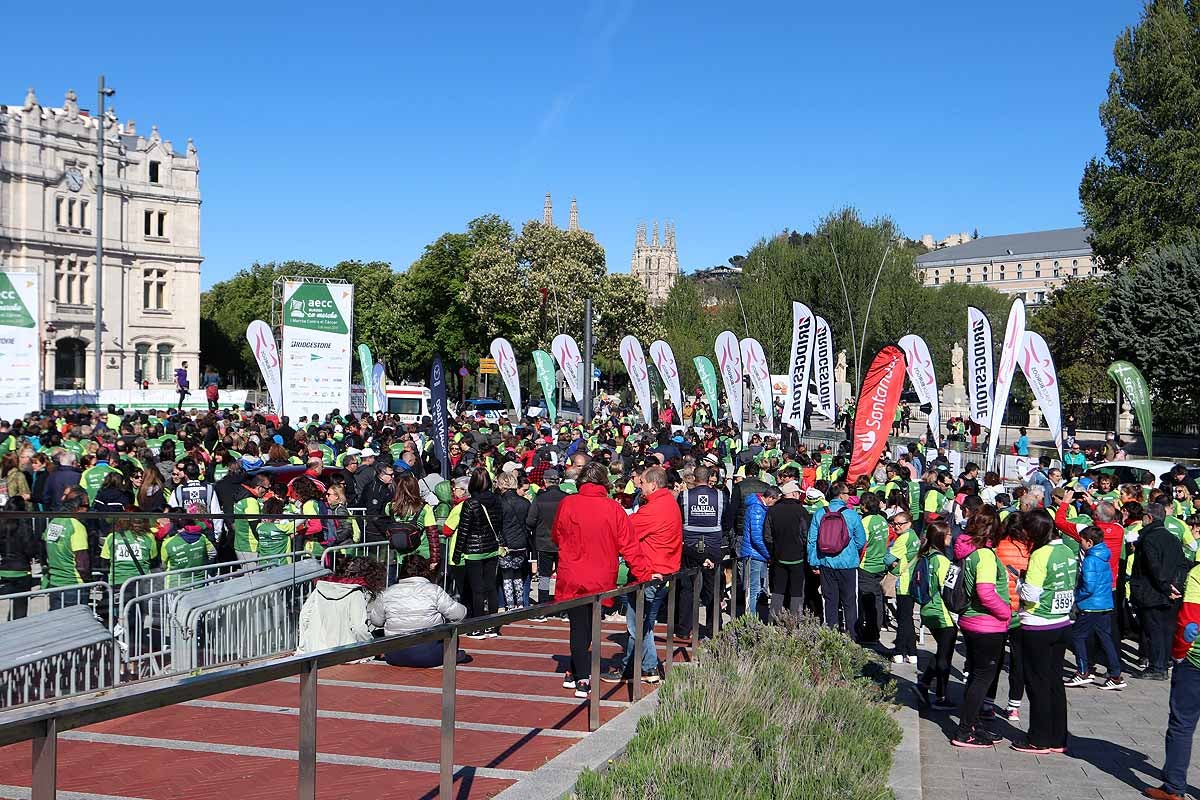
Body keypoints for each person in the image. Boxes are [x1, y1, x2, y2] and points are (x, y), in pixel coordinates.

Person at [552, 461, 656, 699]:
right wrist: (644, 575)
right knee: (588, 623)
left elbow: (557, 535)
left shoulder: (568, 504)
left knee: (578, 624)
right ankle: (580, 674)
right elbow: (629, 546)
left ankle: (577, 670)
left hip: (573, 573)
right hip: (600, 575)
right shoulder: (613, 508)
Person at [604, 465, 681, 684]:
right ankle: (631, 666)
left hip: (649, 573)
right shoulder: (669, 504)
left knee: (638, 625)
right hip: (664, 571)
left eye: (643, 483)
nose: (640, 486)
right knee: (641, 623)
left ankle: (649, 667)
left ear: (653, 484)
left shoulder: (654, 508)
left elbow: (626, 531)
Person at [1013, 509, 1078, 755]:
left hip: (1038, 623)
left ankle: (1038, 738)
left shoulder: (1041, 555)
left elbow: (1031, 594)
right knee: (1054, 682)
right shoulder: (1067, 551)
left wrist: (1020, 582)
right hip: (1061, 622)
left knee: (1037, 683)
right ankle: (1058, 737)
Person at [951, 508, 1011, 748]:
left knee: (975, 676)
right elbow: (985, 592)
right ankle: (965, 731)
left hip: (971, 620)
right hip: (988, 624)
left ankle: (972, 724)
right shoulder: (985, 555)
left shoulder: (969, 552)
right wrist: (1006, 613)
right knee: (982, 678)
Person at [1142, 560, 1200, 800]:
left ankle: (1174, 788)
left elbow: (1190, 622)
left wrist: (1177, 655)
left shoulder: (1198, 573)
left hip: (1195, 661)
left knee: (1182, 724)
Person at [369, 553, 468, 667]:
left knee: (378, 633)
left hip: (395, 655)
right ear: (425, 571)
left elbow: (376, 621)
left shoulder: (387, 593)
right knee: (451, 628)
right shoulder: (434, 591)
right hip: (429, 655)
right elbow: (460, 614)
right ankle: (452, 654)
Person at [1131, 501, 1188, 680]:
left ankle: (1157, 666)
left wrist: (1166, 587)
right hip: (1170, 590)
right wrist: (1176, 586)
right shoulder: (1172, 538)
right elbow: (1182, 564)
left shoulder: (1149, 539)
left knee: (1154, 630)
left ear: (1149, 518)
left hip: (1154, 592)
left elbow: (1153, 567)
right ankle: (1162, 663)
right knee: (1166, 629)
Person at [1067, 526, 1127, 690]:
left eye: (1082, 542)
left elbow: (1089, 586)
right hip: (1104, 604)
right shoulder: (1104, 556)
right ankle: (1115, 674)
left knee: (1077, 636)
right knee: (1105, 638)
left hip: (1091, 605)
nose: (1081, 544)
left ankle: (1082, 671)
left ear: (1090, 542)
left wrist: (1076, 597)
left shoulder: (1090, 560)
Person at [808, 482, 867, 638]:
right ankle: (851, 636)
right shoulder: (852, 514)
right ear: (841, 495)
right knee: (849, 601)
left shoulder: (820, 513)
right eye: (847, 493)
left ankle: (830, 634)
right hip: (848, 564)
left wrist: (813, 561)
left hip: (826, 562)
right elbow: (861, 540)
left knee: (830, 600)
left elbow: (812, 540)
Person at [451, 467, 503, 637]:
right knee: (491, 587)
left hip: (474, 550)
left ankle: (478, 626)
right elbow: (499, 524)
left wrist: (456, 554)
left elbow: (463, 531)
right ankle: (493, 625)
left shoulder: (470, 503)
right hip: (492, 548)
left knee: (477, 589)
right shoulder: (496, 500)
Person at [296, 557, 383, 654]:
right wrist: (370, 649)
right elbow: (359, 628)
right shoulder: (356, 593)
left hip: (315, 650)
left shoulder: (319, 588)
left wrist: (303, 647)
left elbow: (304, 617)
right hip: (344, 653)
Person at [917, 520, 957, 710]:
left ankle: (928, 686)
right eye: (948, 534)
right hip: (941, 611)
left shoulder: (927, 555)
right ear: (941, 537)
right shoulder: (941, 560)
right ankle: (937, 693)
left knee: (943, 650)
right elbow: (947, 589)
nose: (951, 537)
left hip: (928, 609)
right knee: (944, 654)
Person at [762, 479, 809, 622]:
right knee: (796, 590)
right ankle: (794, 621)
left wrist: (773, 551)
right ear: (794, 494)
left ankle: (773, 620)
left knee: (778, 589)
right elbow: (806, 535)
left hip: (779, 556)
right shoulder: (801, 511)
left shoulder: (773, 510)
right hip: (798, 557)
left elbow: (767, 536)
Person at [527, 467, 567, 615]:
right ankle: (562, 607)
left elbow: (530, 521)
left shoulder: (540, 498)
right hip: (562, 542)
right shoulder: (565, 498)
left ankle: (543, 606)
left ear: (545, 481)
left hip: (544, 541)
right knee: (563, 574)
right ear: (559, 481)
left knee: (544, 575)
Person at [739, 484, 780, 620]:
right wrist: (769, 554)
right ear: (770, 498)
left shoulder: (758, 507)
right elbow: (756, 537)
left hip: (756, 554)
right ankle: (750, 619)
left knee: (757, 588)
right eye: (775, 501)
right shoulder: (757, 509)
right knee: (753, 589)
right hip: (754, 554)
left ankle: (753, 617)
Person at [496, 470, 532, 611]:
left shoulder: (499, 502)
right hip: (521, 543)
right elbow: (528, 523)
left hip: (505, 544)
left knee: (506, 575)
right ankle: (520, 603)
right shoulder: (525, 502)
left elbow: (498, 525)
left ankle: (509, 604)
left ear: (501, 484)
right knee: (517, 573)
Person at [857, 491, 890, 643]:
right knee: (877, 599)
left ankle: (870, 633)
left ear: (864, 506)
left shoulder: (865, 522)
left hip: (867, 565)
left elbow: (861, 543)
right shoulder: (882, 520)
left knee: (867, 601)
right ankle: (876, 629)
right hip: (881, 564)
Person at [889, 511, 921, 663]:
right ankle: (911, 652)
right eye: (894, 523)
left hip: (904, 582)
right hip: (914, 580)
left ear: (908, 523)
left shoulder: (903, 539)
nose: (895, 527)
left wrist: (891, 564)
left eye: (899, 524)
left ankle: (900, 651)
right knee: (906, 617)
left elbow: (887, 558)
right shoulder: (915, 536)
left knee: (904, 619)